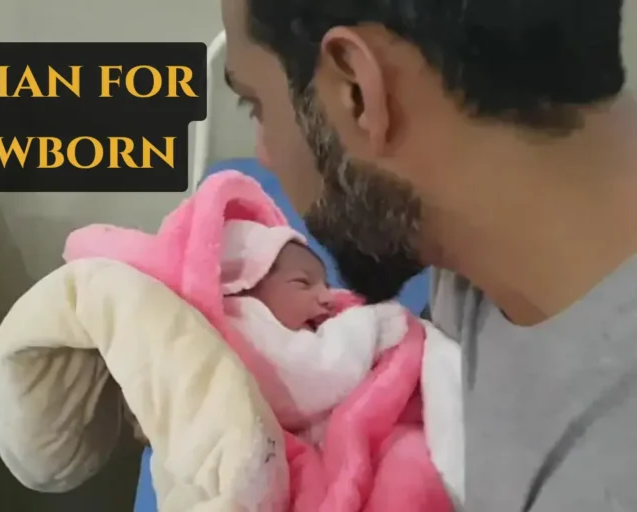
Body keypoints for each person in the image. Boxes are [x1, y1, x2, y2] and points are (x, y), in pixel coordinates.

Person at [221, 0, 637, 510]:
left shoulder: (605, 470)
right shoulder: (473, 232)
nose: (264, 152)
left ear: (356, 90)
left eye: (256, 105)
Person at [222, 219, 432, 443]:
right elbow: (318, 372)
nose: (328, 298)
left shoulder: (278, 325)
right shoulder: (240, 318)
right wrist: (377, 321)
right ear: (245, 286)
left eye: (327, 285)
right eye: (303, 283)